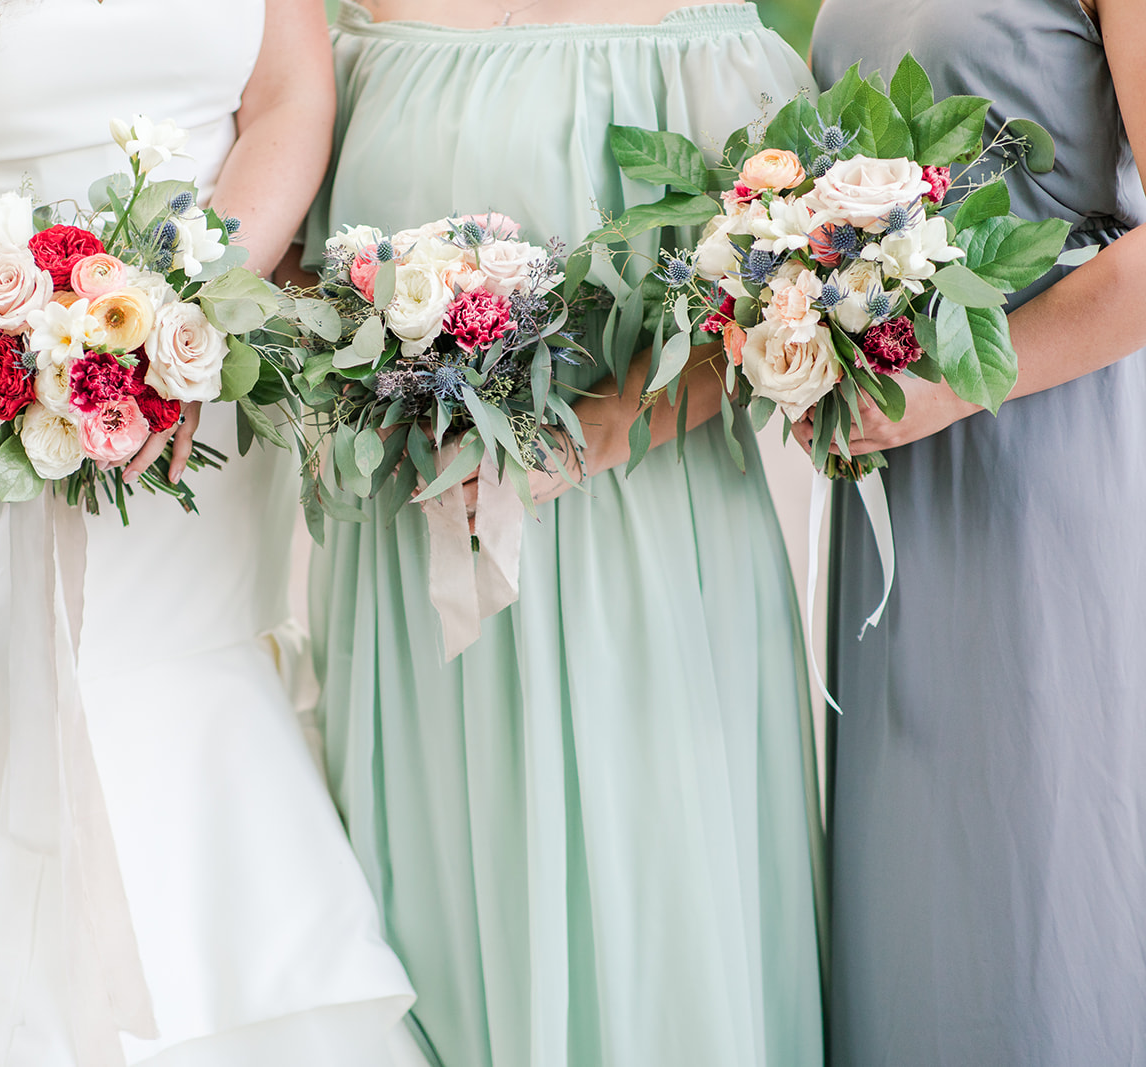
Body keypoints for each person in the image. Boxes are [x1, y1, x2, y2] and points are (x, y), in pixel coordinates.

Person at [0, 1, 422, 1064]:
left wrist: (190, 307)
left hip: (191, 391)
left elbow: (288, 93)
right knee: (1, 704)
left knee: (190, 683)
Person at [302, 1, 826, 1064]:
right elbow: (294, 274)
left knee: (649, 912)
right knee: (435, 916)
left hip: (638, 554)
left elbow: (781, 290)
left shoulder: (709, 43)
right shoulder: (351, 36)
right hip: (409, 559)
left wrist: (597, 430)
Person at [803, 1, 1146, 1062]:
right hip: (895, 473)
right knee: (915, 875)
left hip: (1045, 446)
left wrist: (951, 386)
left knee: (1043, 863)